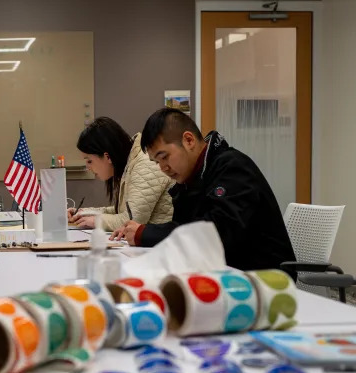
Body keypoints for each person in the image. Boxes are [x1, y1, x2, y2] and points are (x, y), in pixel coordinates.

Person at [111, 108, 295, 271]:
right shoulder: (191, 178)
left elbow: (216, 233)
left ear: (189, 140)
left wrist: (145, 233)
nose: (163, 168)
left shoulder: (232, 168)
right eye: (157, 162)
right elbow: (185, 231)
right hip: (221, 271)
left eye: (164, 157)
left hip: (263, 279)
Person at [67, 117, 173, 231]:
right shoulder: (130, 163)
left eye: (89, 161)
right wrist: (83, 214)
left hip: (162, 245)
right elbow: (122, 211)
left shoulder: (145, 165)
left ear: (107, 156)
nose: (88, 168)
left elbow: (132, 220)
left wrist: (96, 221)